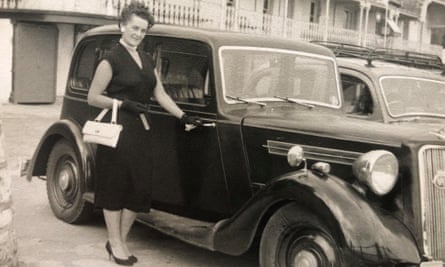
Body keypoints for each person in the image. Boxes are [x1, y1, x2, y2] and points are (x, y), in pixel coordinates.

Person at [87, 1, 202, 266]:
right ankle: (116, 243)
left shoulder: (147, 59)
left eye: (143, 30)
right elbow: (93, 97)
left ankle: (119, 240)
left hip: (140, 130)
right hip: (118, 130)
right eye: (134, 28)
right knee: (115, 186)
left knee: (139, 188)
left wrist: (182, 115)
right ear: (122, 26)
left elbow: (159, 93)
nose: (138, 34)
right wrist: (121, 103)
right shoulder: (111, 58)